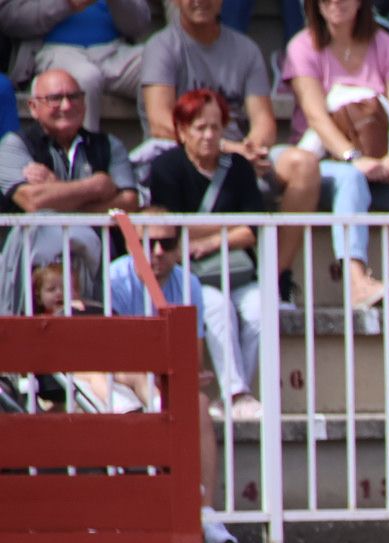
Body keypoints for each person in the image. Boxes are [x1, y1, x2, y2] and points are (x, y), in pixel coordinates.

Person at [139, 0, 322, 298]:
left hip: (237, 156)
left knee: (305, 165)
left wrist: (254, 149)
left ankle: (275, 279)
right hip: (183, 153)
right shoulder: (162, 46)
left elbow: (264, 120)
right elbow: (161, 121)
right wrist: (225, 146)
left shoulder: (245, 49)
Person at [283, 0, 389, 309]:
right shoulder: (301, 46)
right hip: (329, 163)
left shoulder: (386, 45)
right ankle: (356, 281)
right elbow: (316, 116)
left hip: (383, 161)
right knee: (351, 179)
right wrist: (352, 157)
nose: (336, 3)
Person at [101, 213, 237, 543]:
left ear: (179, 248)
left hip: (165, 376)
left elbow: (194, 355)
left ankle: (205, 513)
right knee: (149, 393)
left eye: (168, 243)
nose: (158, 251)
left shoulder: (187, 283)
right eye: (149, 243)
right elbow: (111, 353)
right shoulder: (115, 278)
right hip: (116, 377)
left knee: (199, 403)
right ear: (134, 245)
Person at [147, 89, 266, 423]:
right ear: (183, 130)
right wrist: (229, 226)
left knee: (259, 307)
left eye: (216, 127)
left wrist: (211, 240)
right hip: (189, 274)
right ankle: (236, 393)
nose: (209, 135)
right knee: (216, 307)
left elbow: (253, 229)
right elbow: (168, 227)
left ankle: (233, 394)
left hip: (236, 270)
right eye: (200, 127)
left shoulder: (238, 167)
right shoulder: (166, 168)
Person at [0, 69, 139, 314]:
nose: (66, 105)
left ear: (85, 103)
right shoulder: (13, 145)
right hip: (29, 278)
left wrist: (54, 193)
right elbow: (31, 200)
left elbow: (128, 202)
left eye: (73, 97)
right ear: (33, 106)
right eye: (55, 98)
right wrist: (96, 185)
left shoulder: (109, 146)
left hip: (96, 272)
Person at [0, 0, 148, 134]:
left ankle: (160, 154)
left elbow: (139, 25)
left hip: (115, 50)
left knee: (154, 63)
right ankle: (84, 159)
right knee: (84, 79)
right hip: (55, 50)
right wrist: (65, 4)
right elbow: (8, 19)